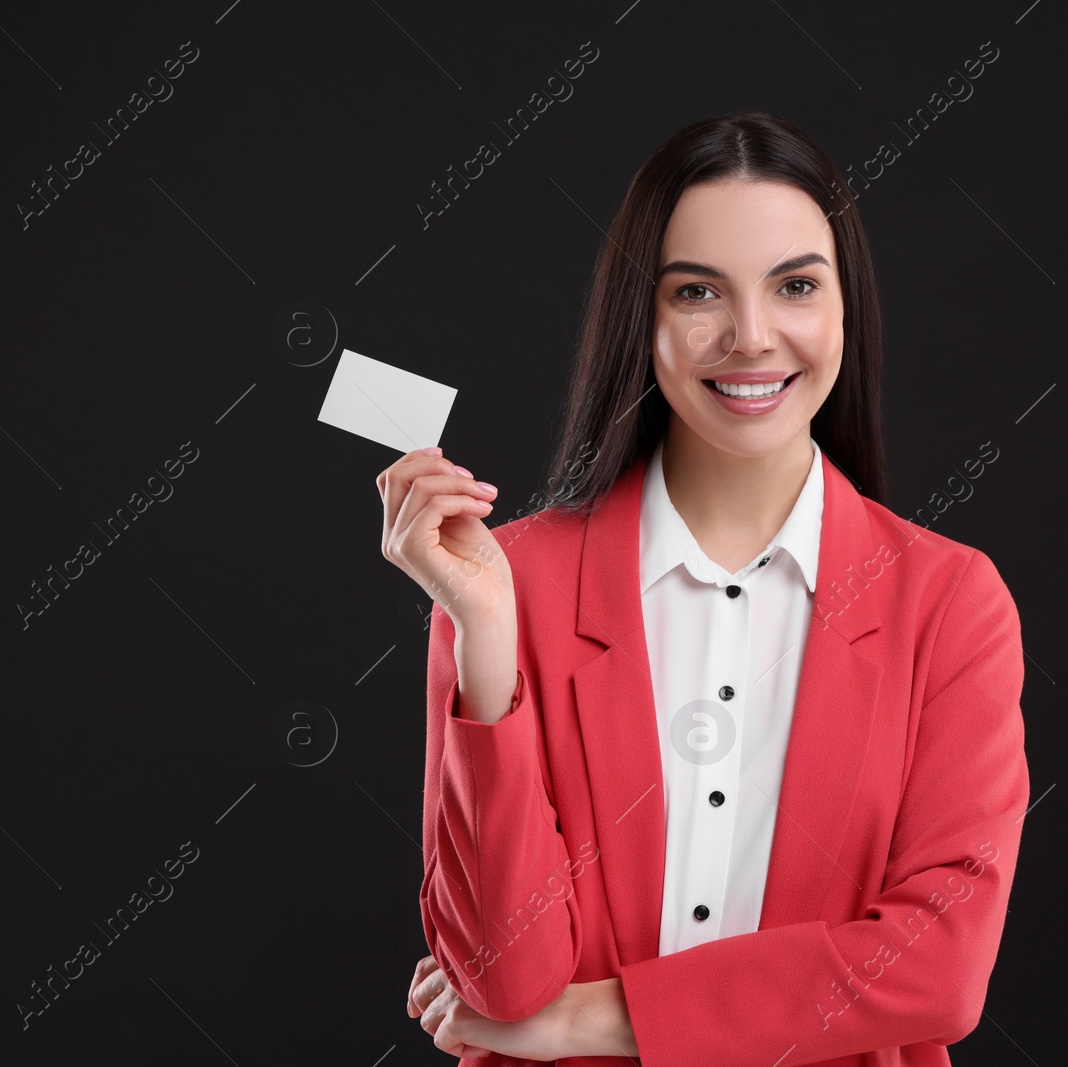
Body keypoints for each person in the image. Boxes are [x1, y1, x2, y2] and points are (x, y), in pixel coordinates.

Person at [376, 111, 1029, 1066]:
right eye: (697, 292)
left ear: (847, 309)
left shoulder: (949, 602)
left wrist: (589, 1020)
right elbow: (503, 978)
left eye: (796, 285)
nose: (752, 337)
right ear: (642, 319)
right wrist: (482, 633)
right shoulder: (507, 584)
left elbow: (939, 966)